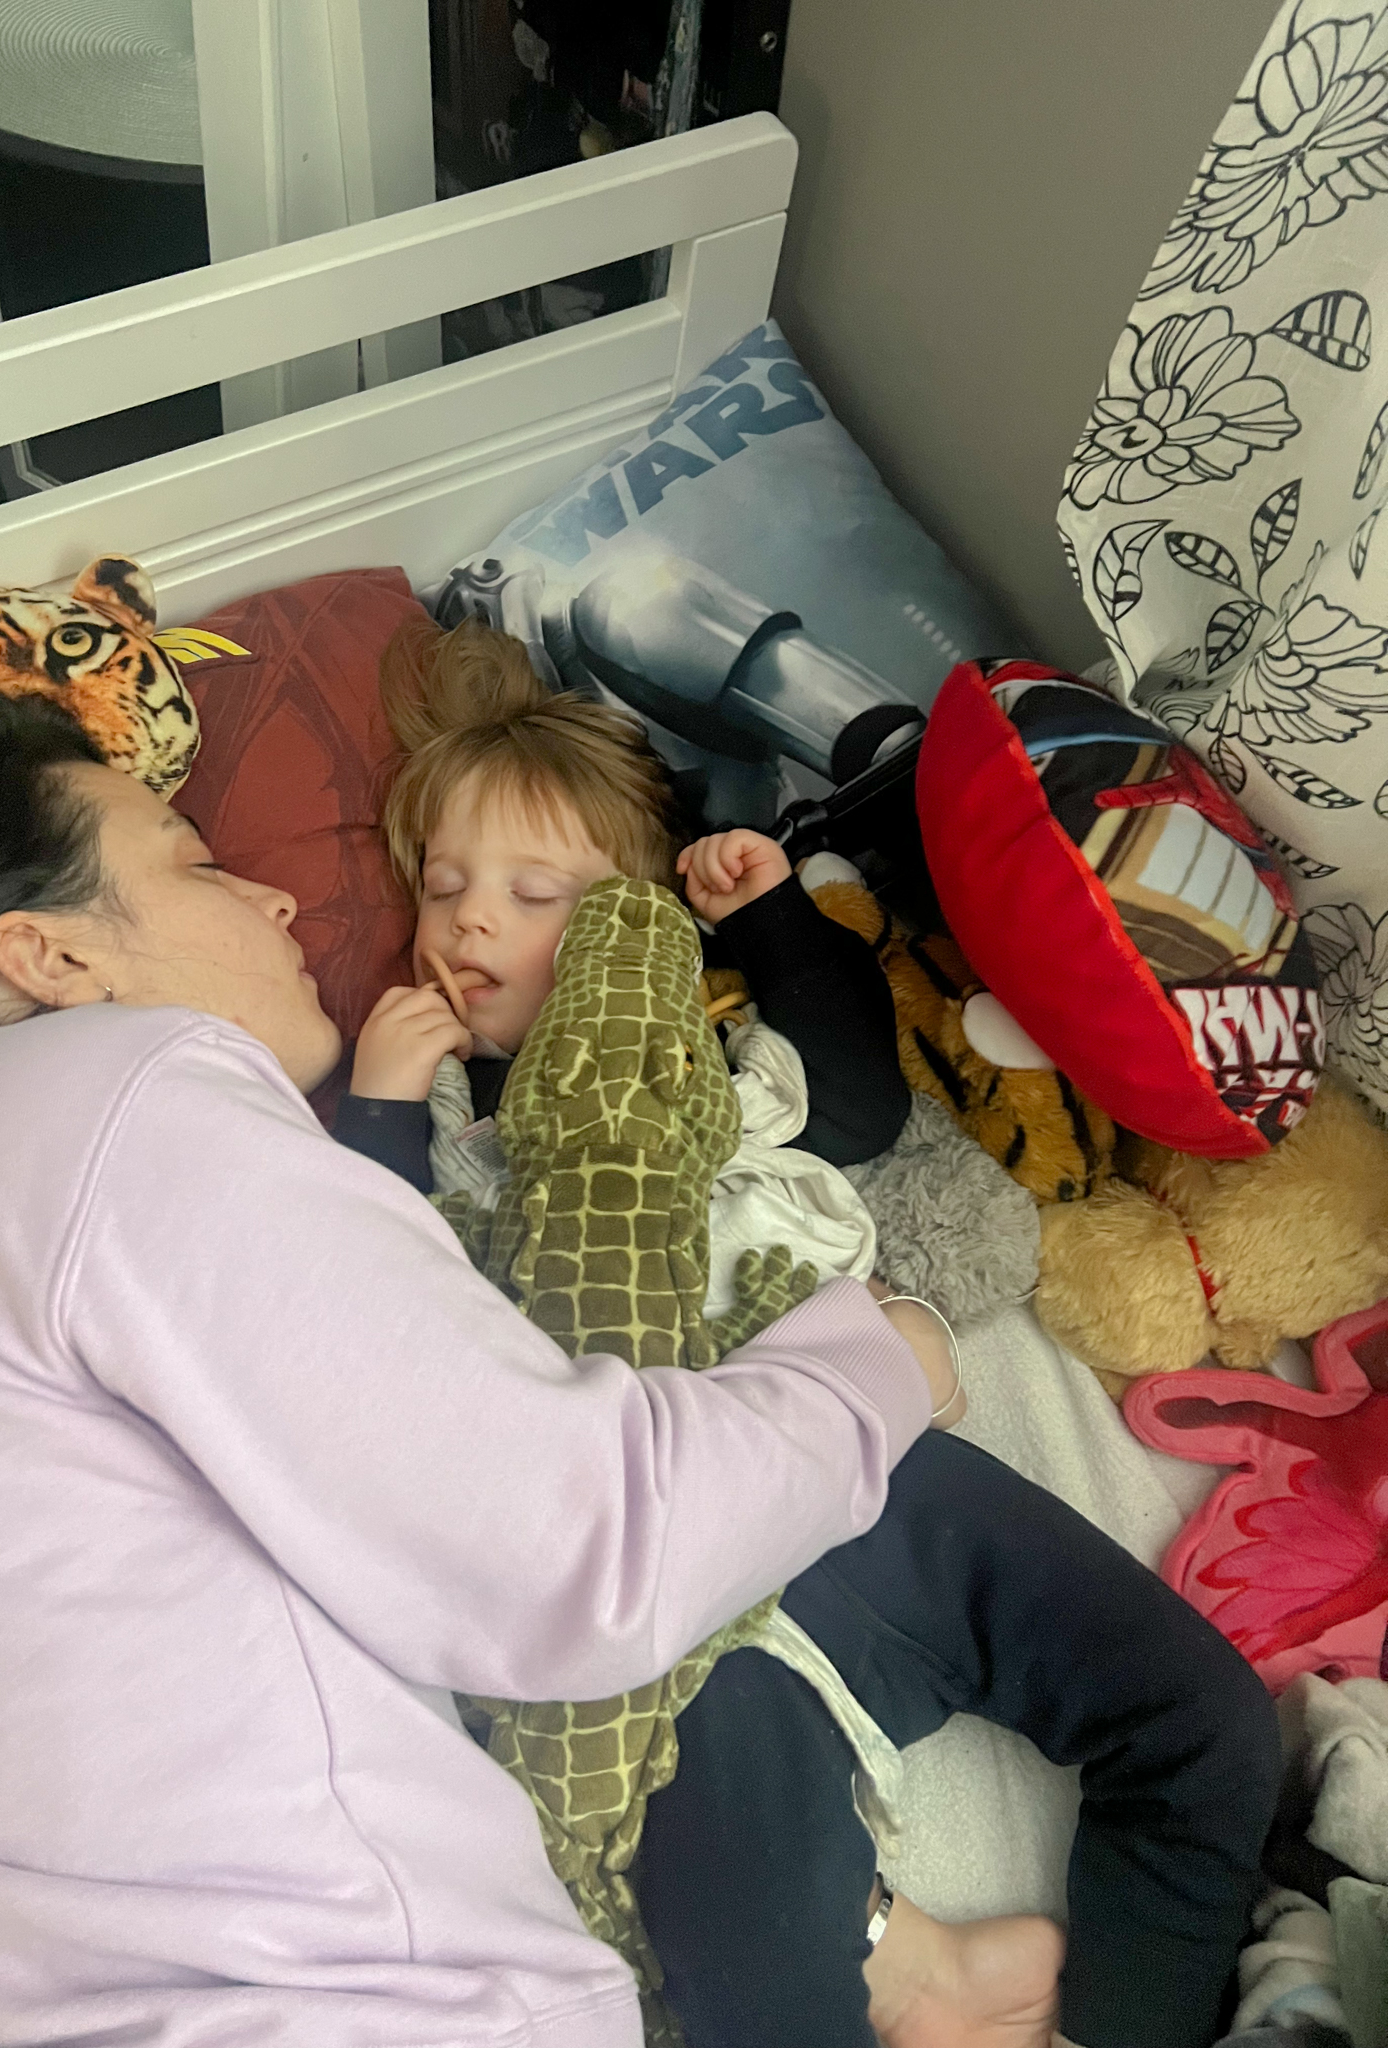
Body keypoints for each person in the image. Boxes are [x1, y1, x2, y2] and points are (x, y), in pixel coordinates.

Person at [0, 693, 1064, 2048]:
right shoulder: (109, 1087)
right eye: (197, 866)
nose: (277, 898)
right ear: (51, 956)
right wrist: (871, 1362)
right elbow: (579, 1550)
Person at [338, 617, 1284, 2048]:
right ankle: (887, 1953)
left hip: (862, 1479)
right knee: (759, 1951)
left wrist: (770, 919)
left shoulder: (722, 1061)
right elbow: (370, 1310)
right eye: (444, 886)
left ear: (635, 922)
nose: (468, 923)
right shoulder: (452, 1129)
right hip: (678, 1581)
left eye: (533, 893)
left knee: (1205, 1721)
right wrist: (379, 1113)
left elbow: (860, 1100)